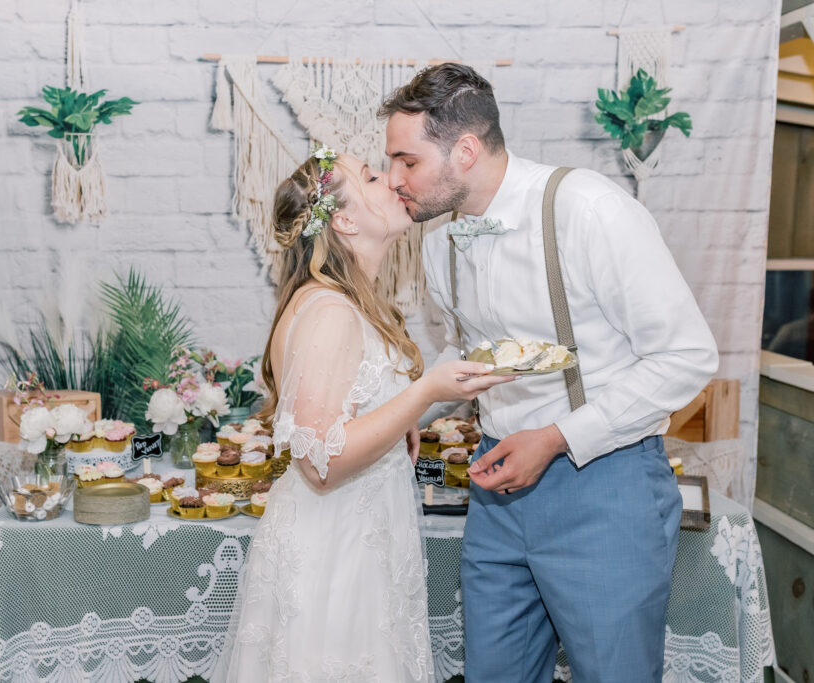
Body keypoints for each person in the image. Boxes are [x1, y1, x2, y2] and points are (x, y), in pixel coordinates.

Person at [379, 64, 719, 682]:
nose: (393, 180)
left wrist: (558, 439)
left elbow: (687, 355)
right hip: (497, 490)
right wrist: (408, 414)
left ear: (465, 149)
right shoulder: (436, 242)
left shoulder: (588, 210)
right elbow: (467, 360)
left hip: (606, 486)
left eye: (407, 162)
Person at [212, 146, 513, 682]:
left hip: (360, 544)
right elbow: (320, 465)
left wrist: (400, 421)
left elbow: (346, 421)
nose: (393, 179)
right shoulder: (330, 311)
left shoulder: (347, 303)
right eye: (373, 176)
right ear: (344, 219)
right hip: (335, 561)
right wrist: (420, 396)